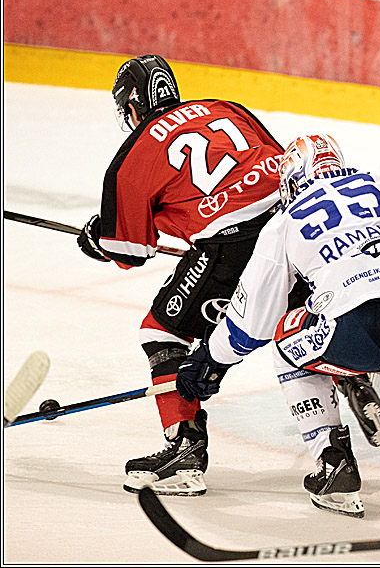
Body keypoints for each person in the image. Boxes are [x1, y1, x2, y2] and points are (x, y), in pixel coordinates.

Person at [174, 134, 380, 517]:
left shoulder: (283, 223)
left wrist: (210, 361)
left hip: (363, 331)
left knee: (287, 343)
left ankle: (334, 464)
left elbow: (251, 327)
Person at [76, 54, 284, 496]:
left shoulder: (132, 157)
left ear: (130, 103)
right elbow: (284, 167)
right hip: (296, 225)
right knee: (308, 322)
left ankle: (184, 449)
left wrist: (98, 238)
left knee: (161, 333)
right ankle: (346, 441)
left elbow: (129, 252)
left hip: (232, 245)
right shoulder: (226, 108)